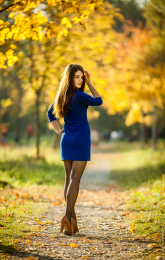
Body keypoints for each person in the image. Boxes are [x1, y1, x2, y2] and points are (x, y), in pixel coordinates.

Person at [47, 63, 103, 236]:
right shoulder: (81, 96)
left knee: (68, 179)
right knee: (75, 179)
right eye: (77, 77)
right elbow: (99, 100)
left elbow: (50, 113)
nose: (80, 80)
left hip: (66, 140)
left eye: (81, 77)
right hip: (81, 140)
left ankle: (72, 219)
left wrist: (58, 130)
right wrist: (90, 82)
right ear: (70, 78)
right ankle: (67, 216)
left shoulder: (61, 96)